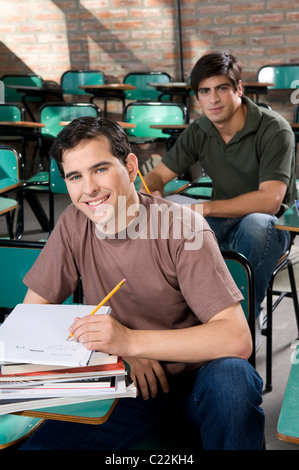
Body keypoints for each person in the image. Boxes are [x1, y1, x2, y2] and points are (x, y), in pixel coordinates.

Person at [19, 117, 264, 450]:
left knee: (233, 380)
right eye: (75, 176)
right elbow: (31, 318)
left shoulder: (182, 227)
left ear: (131, 166)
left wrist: (132, 341)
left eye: (100, 169)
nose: (89, 188)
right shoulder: (74, 222)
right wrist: (116, 352)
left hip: (197, 384)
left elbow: (236, 339)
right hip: (124, 382)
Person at [142, 51, 297, 345]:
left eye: (221, 88)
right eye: (204, 91)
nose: (213, 99)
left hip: (270, 229)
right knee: (165, 229)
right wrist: (156, 199)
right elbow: (155, 177)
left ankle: (238, 327)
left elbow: (270, 201)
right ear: (197, 98)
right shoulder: (199, 130)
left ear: (239, 89)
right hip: (218, 222)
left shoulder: (274, 129)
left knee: (257, 224)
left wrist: (202, 208)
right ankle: (185, 322)